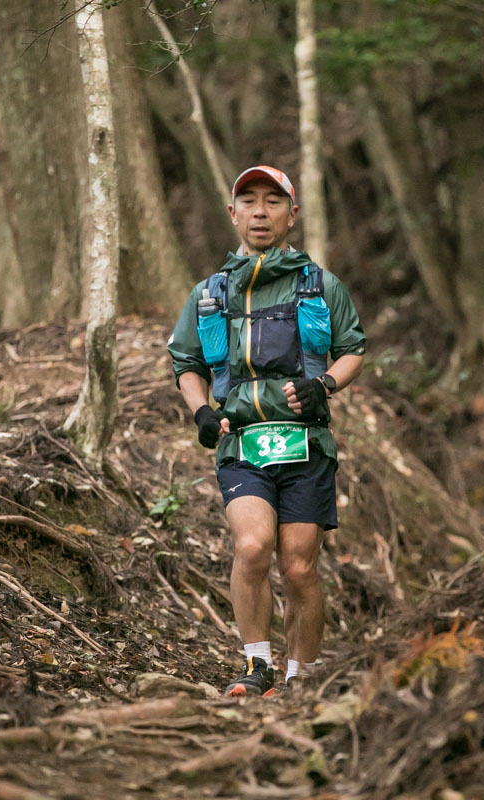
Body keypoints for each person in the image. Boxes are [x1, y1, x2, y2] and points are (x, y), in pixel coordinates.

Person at [167, 165, 366, 696]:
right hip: (242, 442)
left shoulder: (320, 285)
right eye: (249, 201)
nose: (260, 212)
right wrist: (201, 411)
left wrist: (325, 385)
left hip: (307, 443)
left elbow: (353, 350)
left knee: (299, 567)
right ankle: (257, 665)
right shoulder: (209, 293)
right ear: (232, 213)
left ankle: (302, 676)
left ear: (291, 214)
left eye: (273, 201)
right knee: (253, 546)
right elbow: (186, 363)